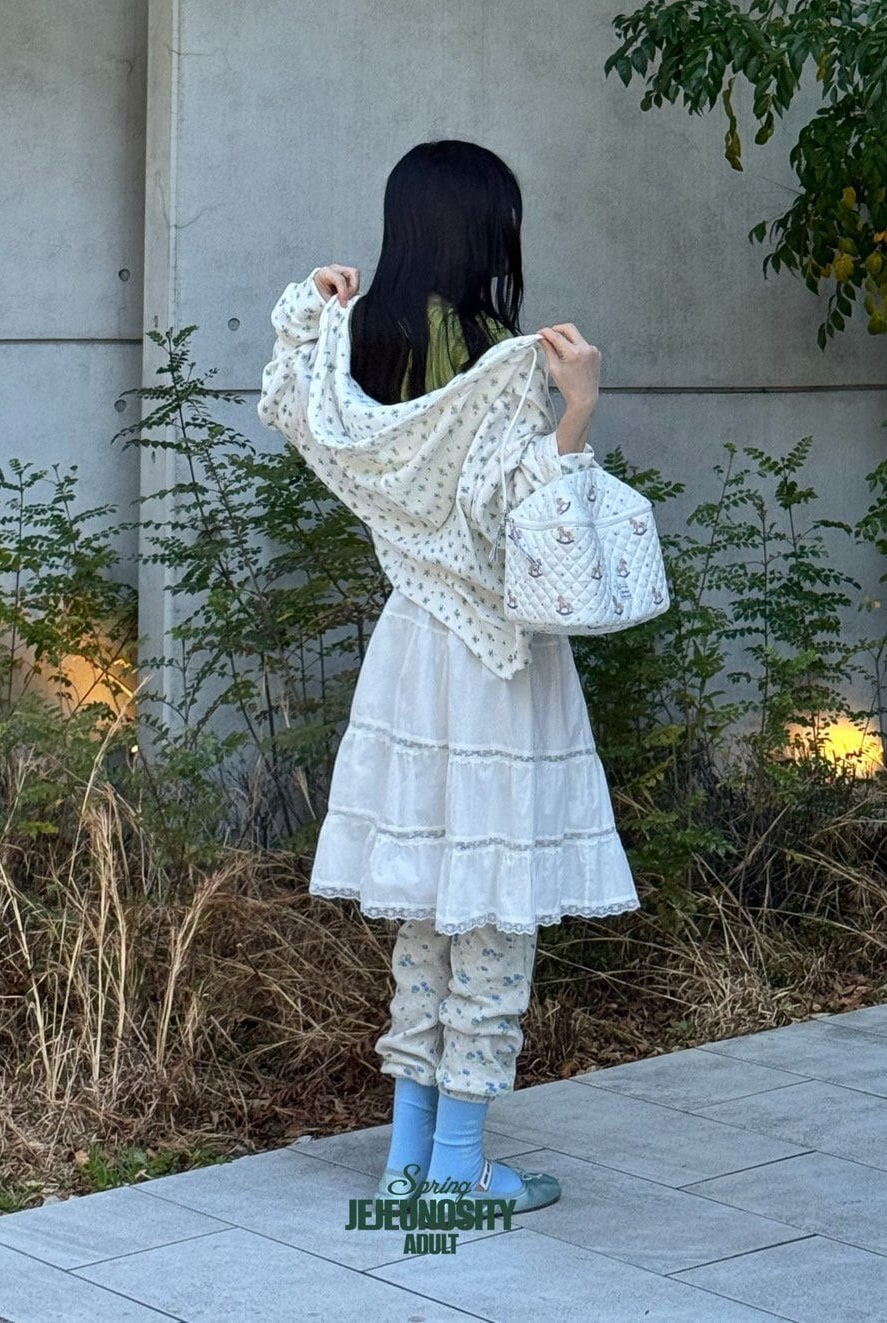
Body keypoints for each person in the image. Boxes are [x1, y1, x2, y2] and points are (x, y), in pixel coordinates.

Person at [257, 139, 638, 1215]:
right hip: (493, 661)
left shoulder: (359, 344)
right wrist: (575, 407)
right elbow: (516, 517)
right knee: (495, 908)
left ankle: (408, 1159)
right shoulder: (493, 359)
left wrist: (314, 302)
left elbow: (290, 402)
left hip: (410, 650)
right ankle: (459, 1166)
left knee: (428, 904)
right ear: (480, 230)